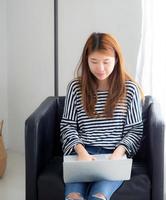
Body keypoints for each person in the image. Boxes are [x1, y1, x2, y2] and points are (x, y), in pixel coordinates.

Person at [60, 32, 144, 200]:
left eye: (106, 62)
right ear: (86, 60)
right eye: (94, 62)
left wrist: (117, 154)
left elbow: (135, 130)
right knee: (73, 197)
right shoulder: (75, 88)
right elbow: (67, 125)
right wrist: (81, 152)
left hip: (114, 155)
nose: (100, 68)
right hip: (82, 153)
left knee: (98, 196)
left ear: (116, 59)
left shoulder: (129, 89)